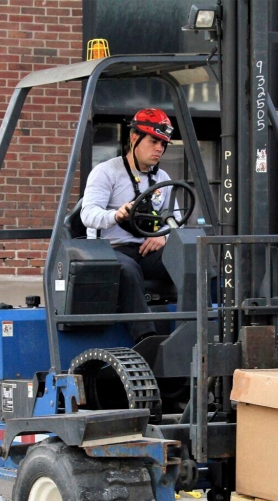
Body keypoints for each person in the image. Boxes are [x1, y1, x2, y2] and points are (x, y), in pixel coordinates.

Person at [80, 108, 179, 342]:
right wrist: (115, 215)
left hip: (146, 249)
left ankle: (200, 328)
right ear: (135, 138)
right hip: (109, 250)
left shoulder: (162, 178)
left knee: (193, 258)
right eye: (154, 141)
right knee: (128, 270)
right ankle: (146, 339)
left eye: (163, 144)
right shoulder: (106, 172)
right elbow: (89, 214)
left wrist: (164, 237)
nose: (159, 149)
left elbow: (175, 220)